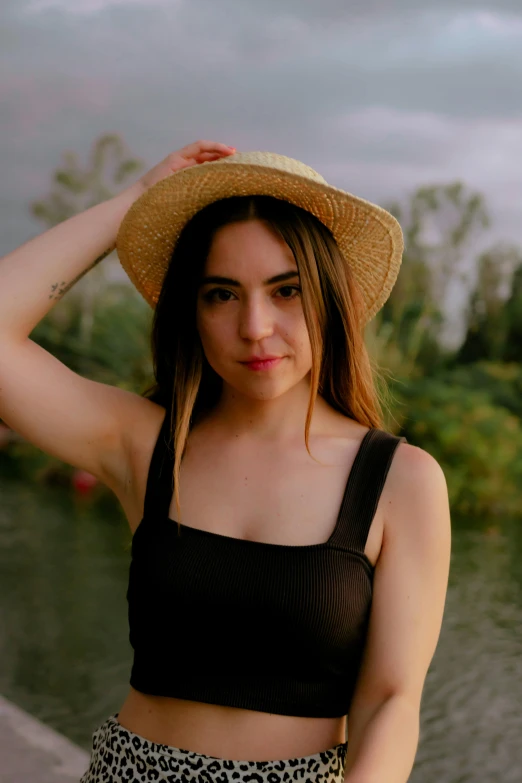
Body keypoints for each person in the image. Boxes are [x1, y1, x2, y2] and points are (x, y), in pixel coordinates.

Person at [0, 140, 451, 783]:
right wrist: (131, 205)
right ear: (193, 313)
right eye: (221, 295)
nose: (255, 326)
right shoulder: (148, 445)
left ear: (331, 297)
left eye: (286, 289)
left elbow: (391, 702)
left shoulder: (399, 482)